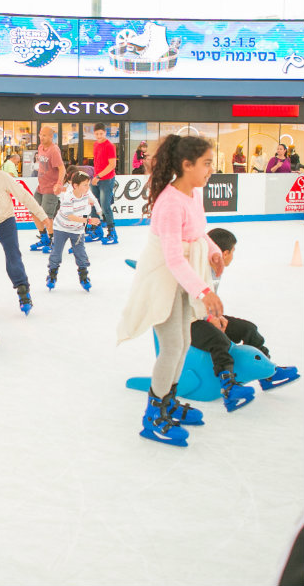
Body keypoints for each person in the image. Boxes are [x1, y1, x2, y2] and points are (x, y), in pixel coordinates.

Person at [117, 135, 224, 448]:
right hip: (162, 277)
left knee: (185, 340)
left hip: (181, 277)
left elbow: (197, 233)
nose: (210, 169)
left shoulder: (192, 194)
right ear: (186, 165)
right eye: (206, 163)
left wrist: (214, 248)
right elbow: (173, 258)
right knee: (172, 346)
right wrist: (205, 292)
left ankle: (169, 399)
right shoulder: (169, 203)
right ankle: (154, 415)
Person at [190, 228, 300, 410]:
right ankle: (229, 388)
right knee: (220, 341)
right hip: (187, 322)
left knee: (248, 329)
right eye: (233, 251)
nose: (233, 256)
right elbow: (188, 302)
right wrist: (210, 319)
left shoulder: (215, 268)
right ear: (224, 253)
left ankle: (268, 374)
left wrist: (215, 316)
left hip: (205, 316)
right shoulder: (198, 269)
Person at [0, 143, 51, 314]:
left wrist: (43, 216)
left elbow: (23, 196)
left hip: (6, 221)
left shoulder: (3, 177)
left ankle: (23, 293)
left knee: (13, 257)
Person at [46, 169, 102, 292]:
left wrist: (96, 212)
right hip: (61, 228)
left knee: (81, 253)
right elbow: (70, 216)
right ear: (75, 186)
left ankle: (84, 276)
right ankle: (52, 274)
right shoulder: (68, 197)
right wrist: (89, 221)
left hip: (77, 230)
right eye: (85, 185)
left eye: (88, 184)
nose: (88, 187)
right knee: (56, 252)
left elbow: (90, 205)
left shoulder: (86, 195)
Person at [30, 127, 64, 252]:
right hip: (40, 187)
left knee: (47, 216)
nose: (41, 137)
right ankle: (44, 237)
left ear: (51, 137)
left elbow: (62, 168)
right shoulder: (40, 147)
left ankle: (54, 241)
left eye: (44, 135)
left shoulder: (54, 150)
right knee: (34, 211)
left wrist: (59, 184)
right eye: (40, 135)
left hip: (50, 189)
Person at [89, 122, 118, 245]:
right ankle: (96, 230)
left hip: (106, 180)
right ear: (94, 134)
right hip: (97, 179)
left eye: (101, 133)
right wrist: (95, 176)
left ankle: (112, 233)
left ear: (105, 133)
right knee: (93, 204)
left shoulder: (109, 146)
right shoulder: (95, 144)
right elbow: (97, 162)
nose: (99, 136)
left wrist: (99, 176)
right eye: (97, 134)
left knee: (105, 206)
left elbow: (112, 165)